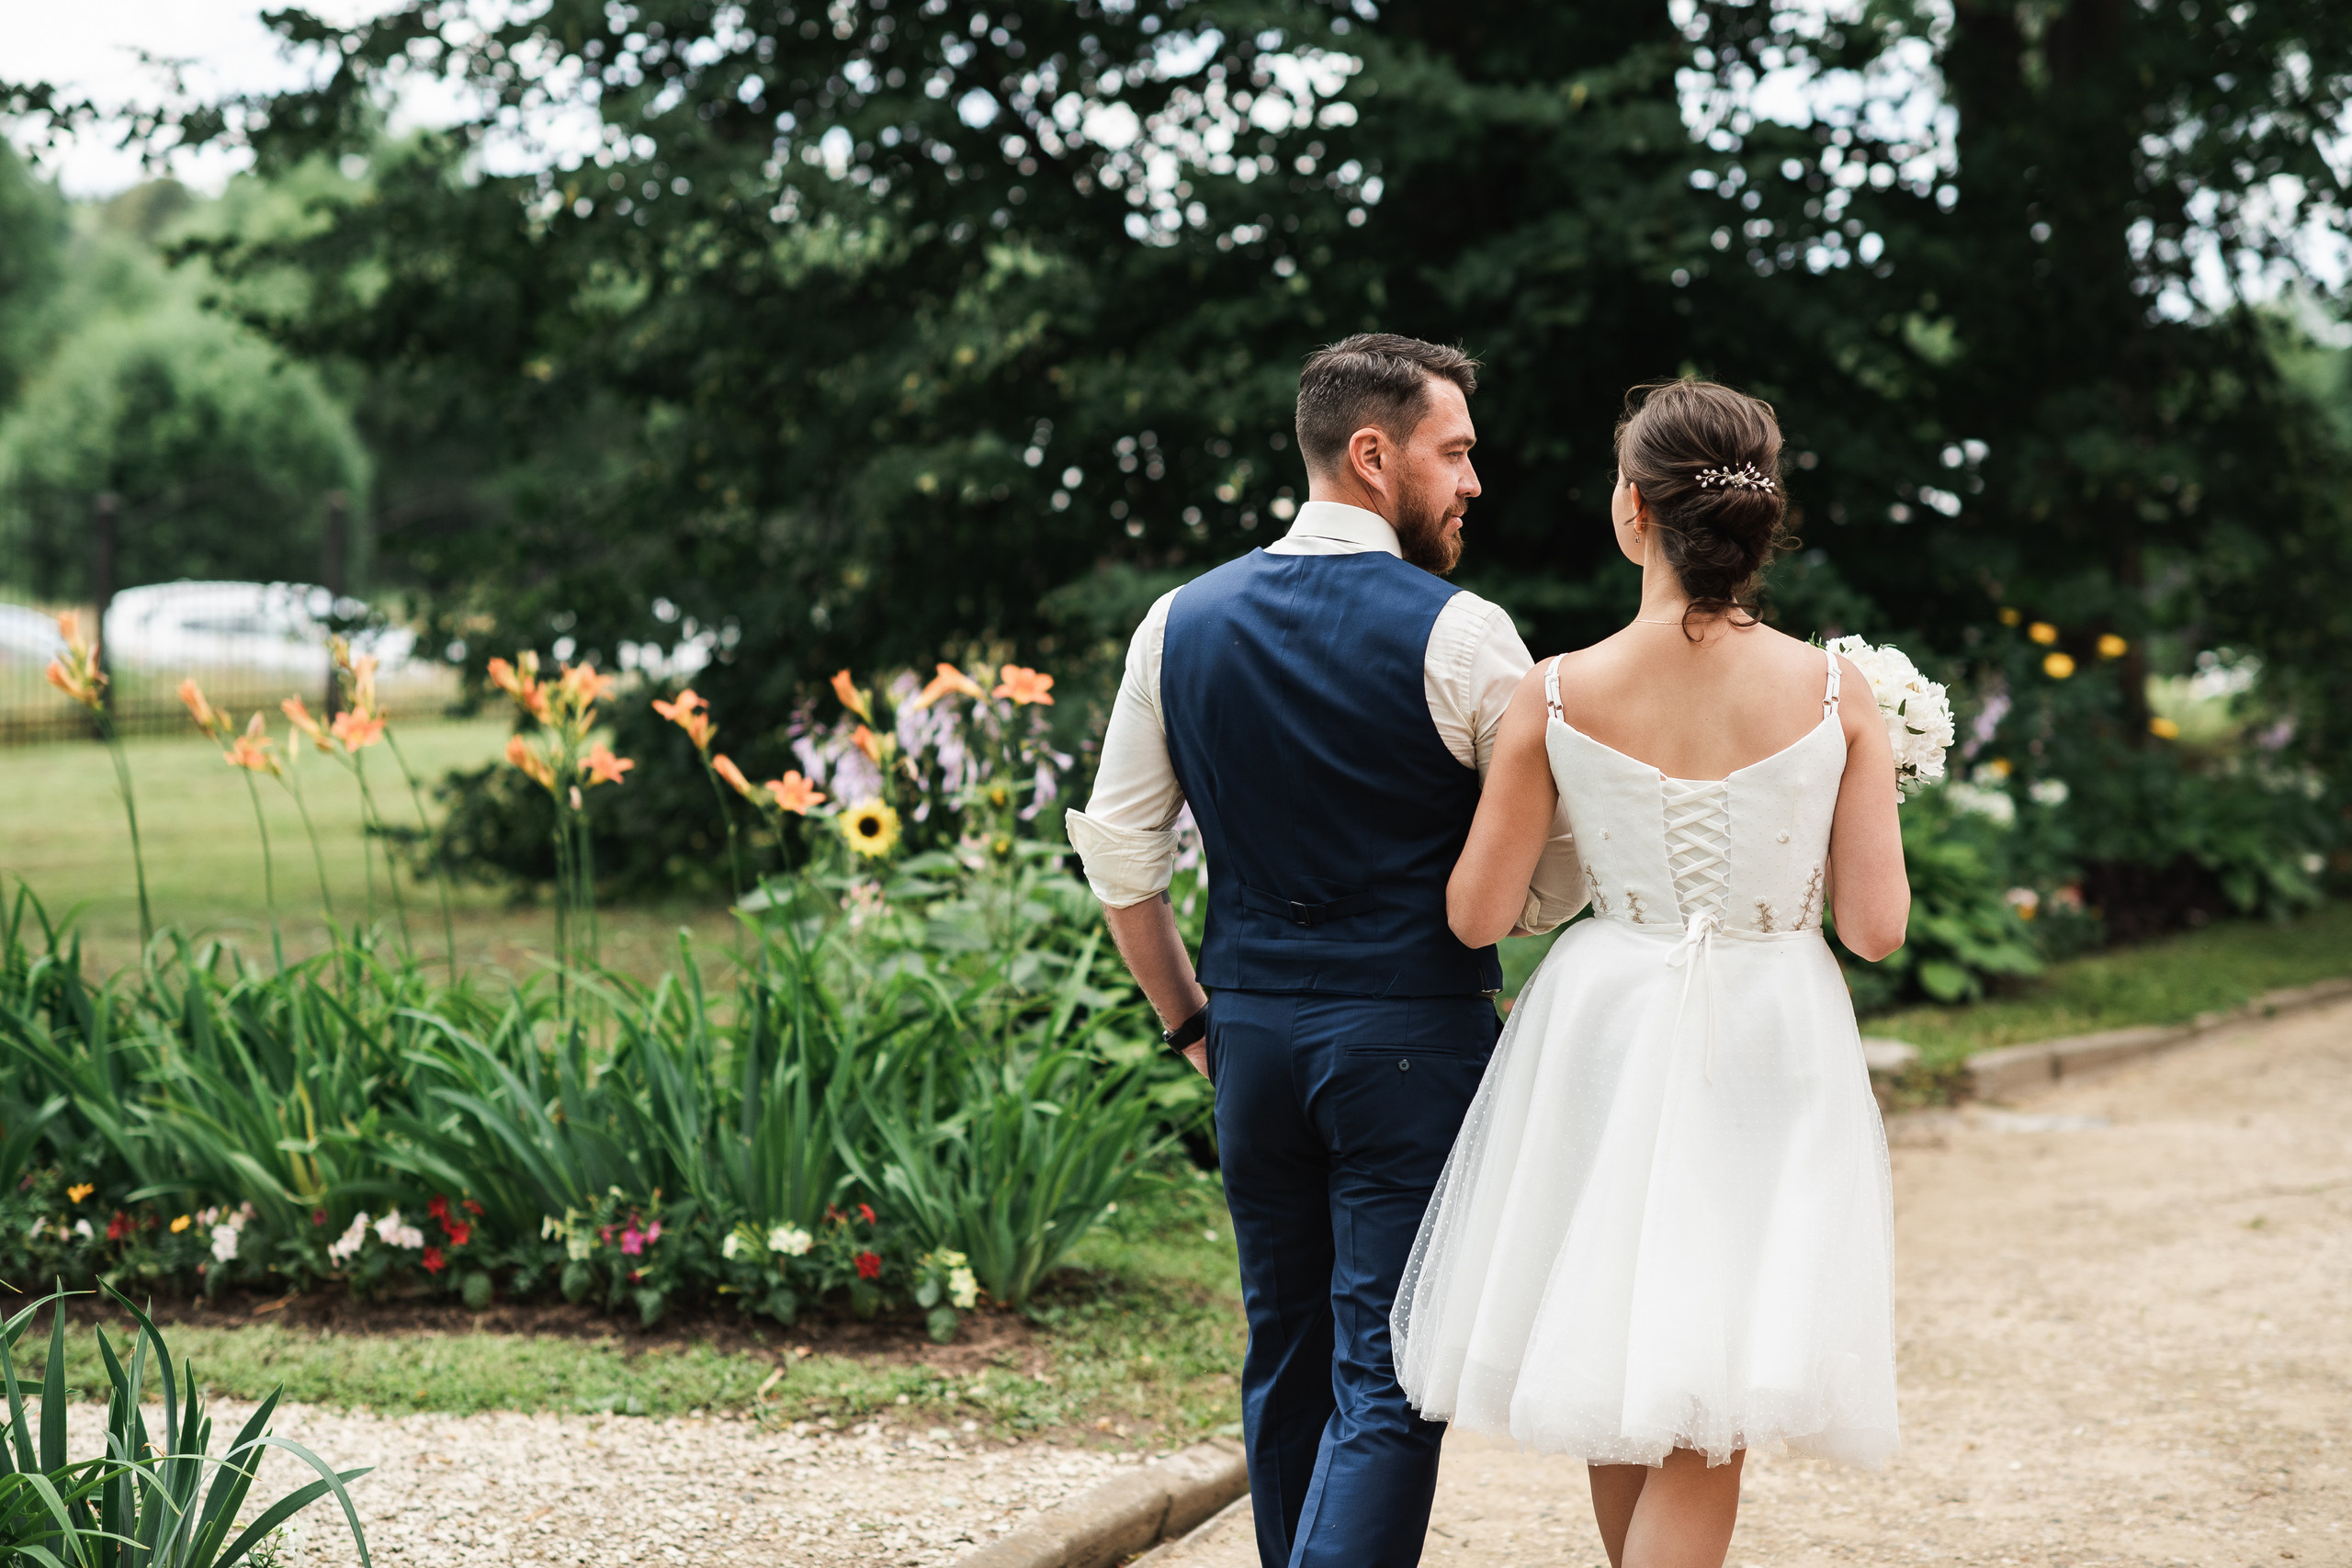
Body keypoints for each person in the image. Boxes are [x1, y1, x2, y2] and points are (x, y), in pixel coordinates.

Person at [1066, 333, 1586, 1568]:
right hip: (1412, 1042)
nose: (1473, 483)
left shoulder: (1176, 623)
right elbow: (1549, 879)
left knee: (1287, 1353)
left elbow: (1123, 862)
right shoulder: (1466, 634)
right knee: (1392, 1378)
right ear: (1372, 455)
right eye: (1453, 453)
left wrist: (1192, 1024)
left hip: (1250, 1039)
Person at [1390, 378, 1908, 1568]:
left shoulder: (1557, 691)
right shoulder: (1838, 693)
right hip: (1771, 1027)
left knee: (1618, 1342)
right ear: (1762, 522)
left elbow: (1478, 914)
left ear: (1634, 509)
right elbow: (1876, 929)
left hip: (1605, 1024)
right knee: (1705, 1374)